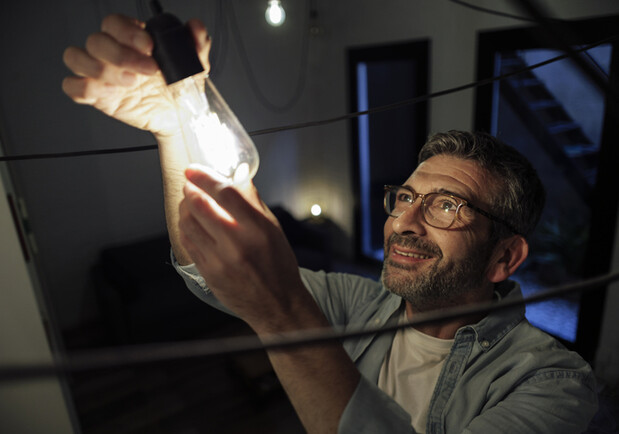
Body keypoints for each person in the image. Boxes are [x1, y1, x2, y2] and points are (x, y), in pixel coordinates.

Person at [63, 14, 598, 433]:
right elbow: (208, 277)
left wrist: (283, 315)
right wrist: (174, 125)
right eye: (405, 197)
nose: (405, 223)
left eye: (446, 206)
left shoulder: (552, 383)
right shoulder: (358, 304)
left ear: (504, 257)